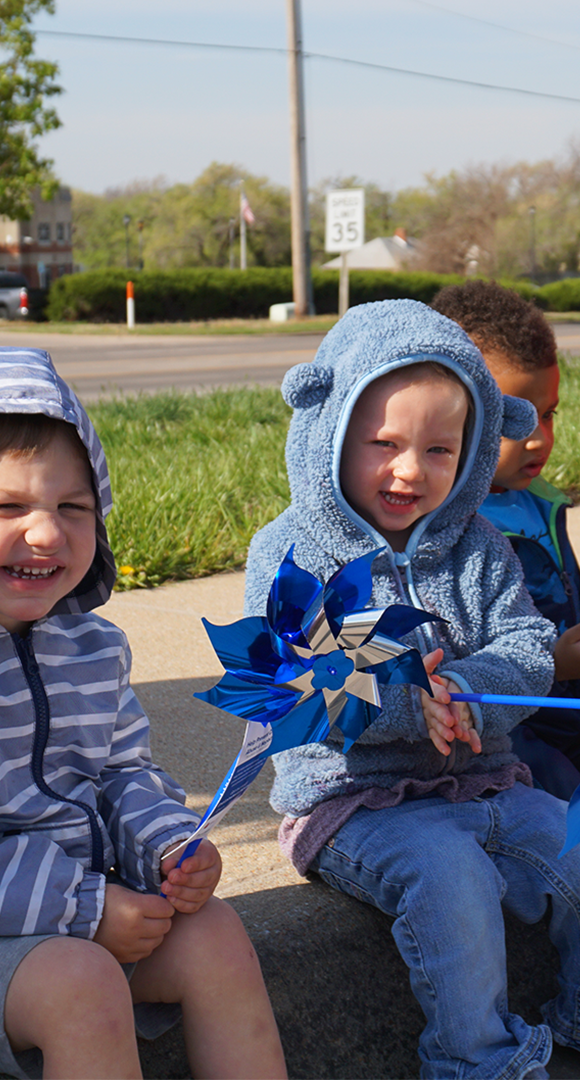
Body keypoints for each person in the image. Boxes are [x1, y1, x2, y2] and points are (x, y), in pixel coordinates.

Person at [0, 346, 288, 1080]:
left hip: (72, 909)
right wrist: (84, 908)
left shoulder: (93, 645)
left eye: (73, 507)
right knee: (83, 985)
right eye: (7, 506)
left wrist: (167, 849)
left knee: (217, 934)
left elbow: (125, 771)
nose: (46, 534)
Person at [244, 299, 580, 1080]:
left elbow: (527, 643)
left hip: (484, 781)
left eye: (439, 449)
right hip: (354, 802)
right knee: (451, 878)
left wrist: (468, 686)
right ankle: (475, 1060)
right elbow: (289, 682)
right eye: (383, 444)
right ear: (329, 430)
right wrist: (405, 701)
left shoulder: (479, 545)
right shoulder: (291, 551)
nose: (409, 470)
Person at [431, 279, 580, 800]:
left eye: (549, 412)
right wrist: (553, 663)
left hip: (564, 706)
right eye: (514, 417)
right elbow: (453, 663)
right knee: (558, 788)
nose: (539, 436)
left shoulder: (541, 501)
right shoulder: (444, 528)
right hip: (497, 731)